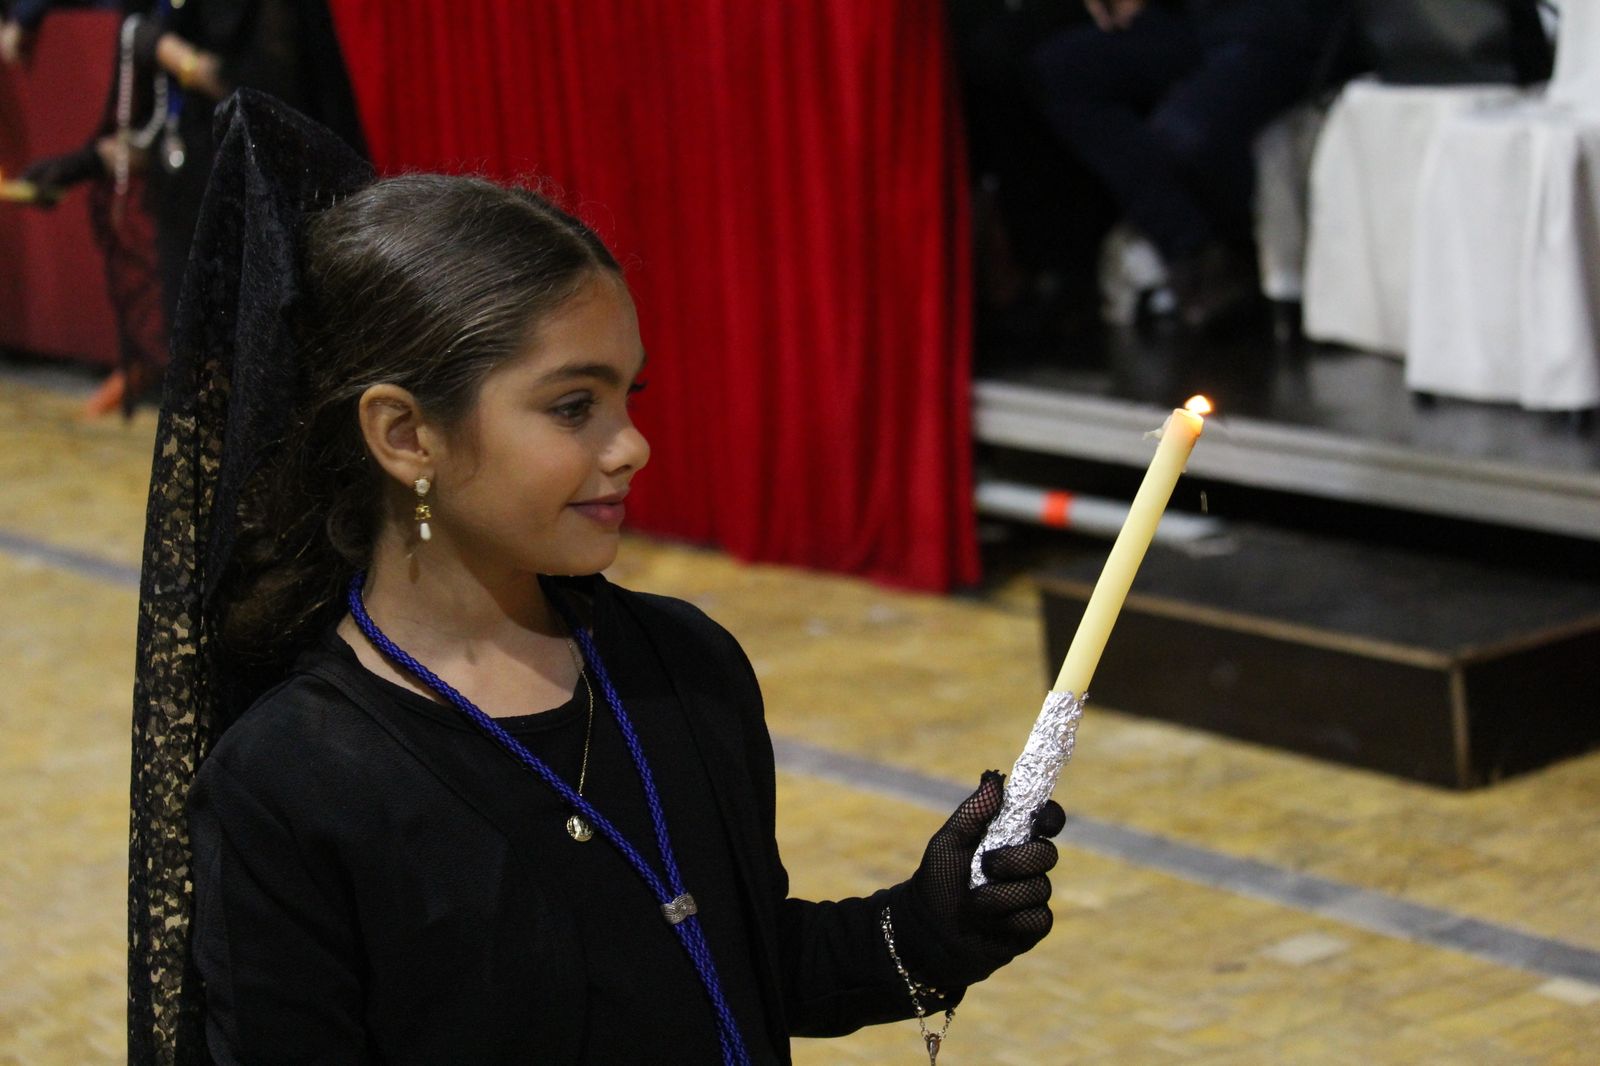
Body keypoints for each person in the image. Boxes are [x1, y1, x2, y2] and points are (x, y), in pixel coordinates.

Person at [128, 91, 1064, 1066]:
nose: (631, 445)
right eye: (573, 406)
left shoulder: (681, 666)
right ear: (406, 435)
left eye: (630, 394)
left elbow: (729, 966)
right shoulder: (291, 784)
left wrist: (921, 930)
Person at [1031, 0, 1347, 331]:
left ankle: (1228, 257)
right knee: (1059, 68)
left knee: (1186, 134)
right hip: (1196, 21)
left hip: (1272, 24)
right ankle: (1190, 248)